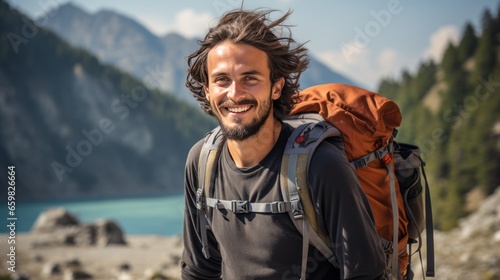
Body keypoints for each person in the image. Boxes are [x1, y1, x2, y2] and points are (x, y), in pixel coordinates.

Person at [181, 9, 387, 280]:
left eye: (250, 78)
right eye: (222, 80)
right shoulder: (202, 162)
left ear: (276, 88)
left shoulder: (321, 166)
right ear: (207, 90)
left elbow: (365, 274)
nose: (235, 93)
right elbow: (200, 271)